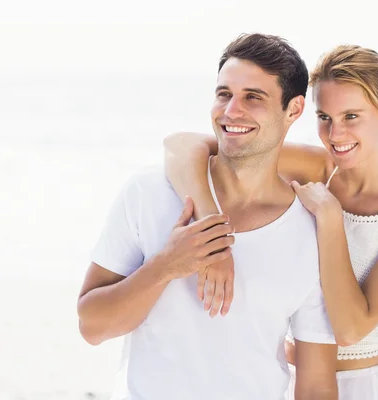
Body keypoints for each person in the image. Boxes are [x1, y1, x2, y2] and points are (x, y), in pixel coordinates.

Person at [163, 44, 378, 400]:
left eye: (351, 117)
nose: (335, 134)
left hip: (358, 387)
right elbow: (180, 147)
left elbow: (350, 329)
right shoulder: (314, 169)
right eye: (324, 117)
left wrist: (329, 219)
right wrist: (214, 235)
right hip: (287, 378)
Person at [77, 33, 339, 400]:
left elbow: (316, 384)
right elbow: (92, 326)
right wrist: (166, 265)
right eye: (224, 94)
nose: (232, 111)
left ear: (293, 110)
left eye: (253, 97)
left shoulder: (311, 229)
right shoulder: (149, 192)